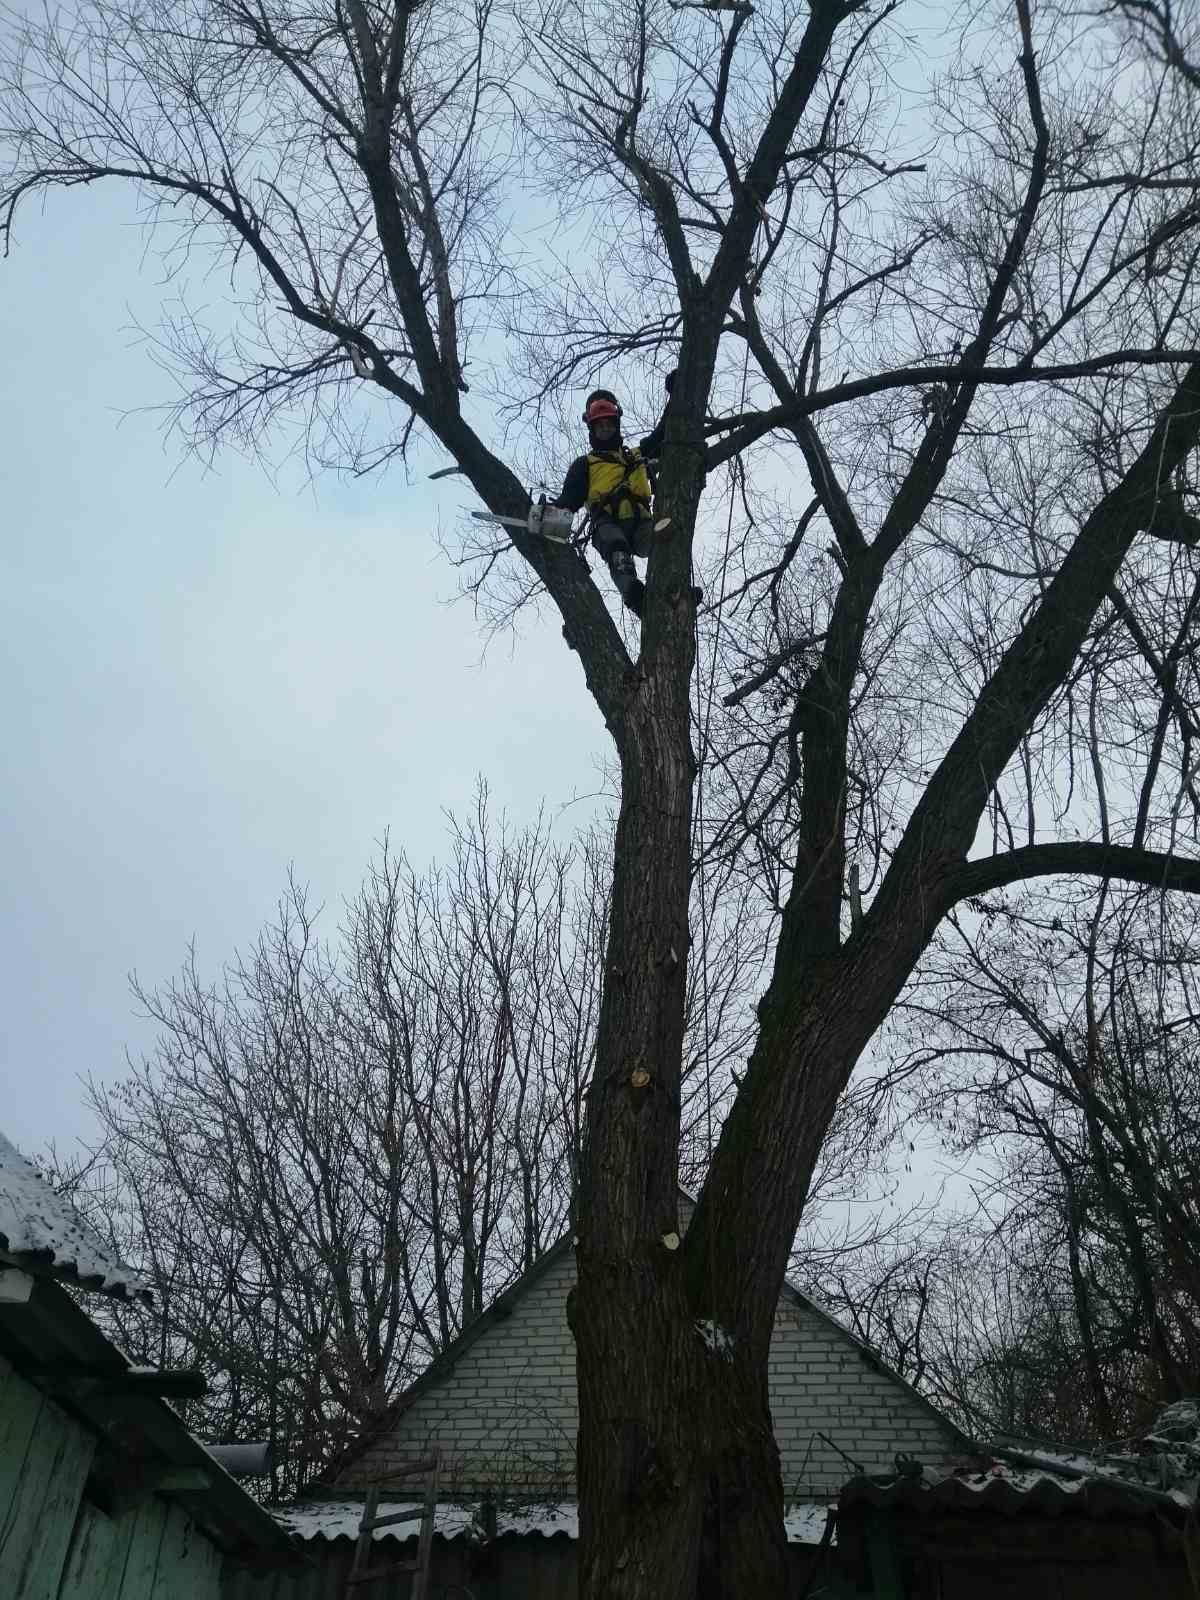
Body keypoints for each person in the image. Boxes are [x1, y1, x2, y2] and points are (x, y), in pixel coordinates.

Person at [554, 380, 673, 618]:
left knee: (666, 543)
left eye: (609, 424)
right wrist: (548, 512)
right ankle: (635, 596)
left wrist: (676, 395)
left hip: (641, 522)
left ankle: (674, 592)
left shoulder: (637, 455)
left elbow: (664, 432)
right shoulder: (586, 465)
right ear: (592, 429)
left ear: (616, 425)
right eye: (600, 426)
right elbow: (569, 500)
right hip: (607, 523)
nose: (605, 429)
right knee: (618, 552)